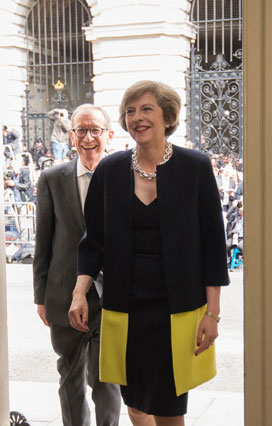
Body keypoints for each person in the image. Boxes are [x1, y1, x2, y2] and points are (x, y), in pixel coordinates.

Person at [69, 81, 230, 426]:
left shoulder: (195, 167)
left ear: (167, 116)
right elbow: (92, 240)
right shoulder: (109, 172)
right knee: (137, 404)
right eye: (130, 111)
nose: (137, 118)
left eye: (146, 109)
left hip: (178, 310)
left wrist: (212, 314)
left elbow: (213, 245)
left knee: (170, 408)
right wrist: (79, 292)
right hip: (126, 308)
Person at [34, 104, 121, 426]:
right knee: (70, 376)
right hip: (63, 294)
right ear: (71, 136)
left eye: (95, 130)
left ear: (108, 135)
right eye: (81, 130)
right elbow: (43, 242)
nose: (88, 137)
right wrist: (41, 297)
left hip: (111, 297)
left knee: (106, 377)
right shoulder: (52, 179)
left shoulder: (125, 177)